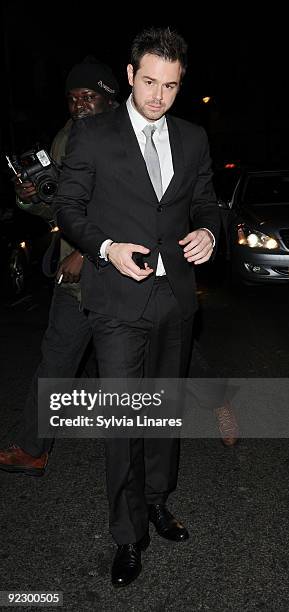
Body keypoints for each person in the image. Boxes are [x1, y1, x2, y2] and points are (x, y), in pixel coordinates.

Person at [54, 26, 220, 588]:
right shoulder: (94, 134)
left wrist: (209, 234)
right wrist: (104, 248)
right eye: (149, 82)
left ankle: (156, 500)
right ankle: (127, 535)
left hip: (175, 298)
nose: (158, 96)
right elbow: (70, 208)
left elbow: (204, 202)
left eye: (170, 86)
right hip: (118, 301)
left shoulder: (194, 137)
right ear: (129, 75)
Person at [0, 58, 119, 476]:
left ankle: (217, 400)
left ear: (109, 98)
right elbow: (61, 207)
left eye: (89, 97)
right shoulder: (65, 139)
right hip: (75, 285)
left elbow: (130, 210)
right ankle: (32, 449)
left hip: (123, 279)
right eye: (72, 98)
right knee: (55, 362)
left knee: (162, 356)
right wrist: (30, 195)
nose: (79, 105)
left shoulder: (129, 136)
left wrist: (86, 254)